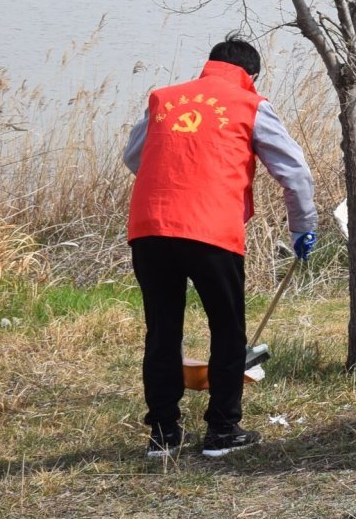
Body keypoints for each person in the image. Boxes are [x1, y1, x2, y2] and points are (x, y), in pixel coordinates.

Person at [123, 38, 318, 458]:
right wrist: (303, 228)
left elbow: (133, 156)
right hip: (211, 228)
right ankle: (222, 431)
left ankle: (163, 435)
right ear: (252, 75)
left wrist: (177, 171)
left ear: (209, 64)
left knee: (162, 330)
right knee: (227, 329)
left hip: (150, 227)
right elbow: (295, 173)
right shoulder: (251, 104)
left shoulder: (163, 99)